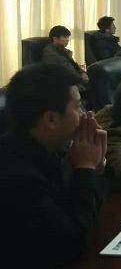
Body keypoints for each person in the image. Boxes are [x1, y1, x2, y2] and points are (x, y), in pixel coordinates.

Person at [0, 64, 106, 267]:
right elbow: (72, 245)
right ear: (51, 119)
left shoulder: (54, 149)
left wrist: (96, 166)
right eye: (77, 106)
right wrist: (85, 170)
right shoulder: (16, 177)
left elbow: (91, 215)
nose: (84, 113)